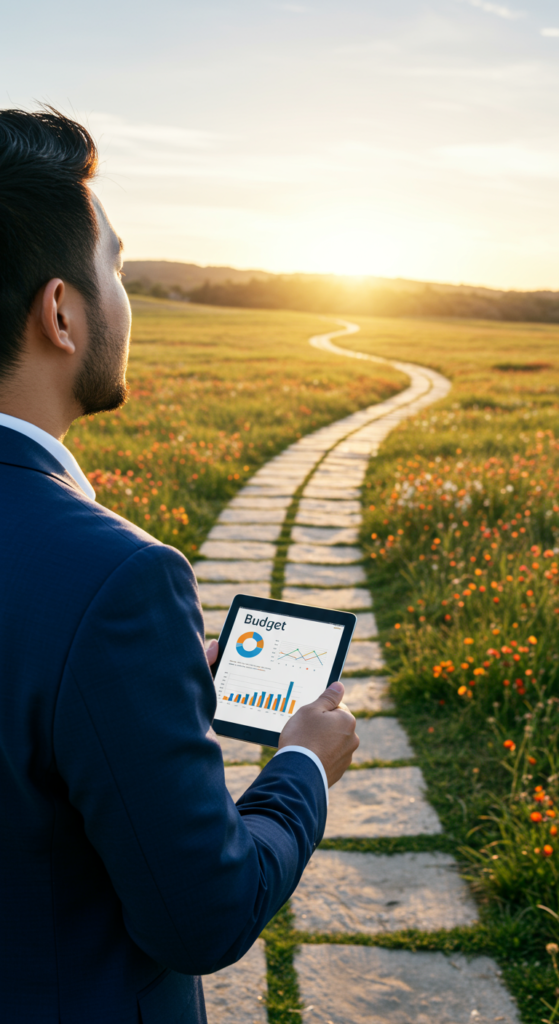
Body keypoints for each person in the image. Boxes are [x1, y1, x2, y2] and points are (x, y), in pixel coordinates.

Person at [0, 108, 359, 1024]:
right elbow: (200, 915)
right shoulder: (113, 581)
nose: (124, 292)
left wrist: (139, 693)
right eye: (116, 265)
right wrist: (302, 771)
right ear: (61, 312)